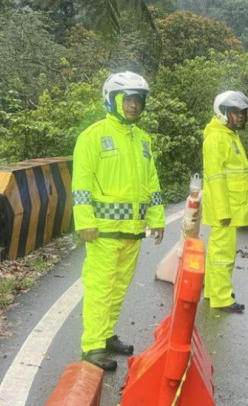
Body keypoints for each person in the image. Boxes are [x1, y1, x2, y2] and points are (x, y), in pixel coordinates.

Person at [72, 72, 165, 370]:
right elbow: (81, 185)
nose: (134, 106)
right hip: (102, 232)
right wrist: (84, 221)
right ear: (112, 101)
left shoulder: (143, 140)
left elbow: (152, 183)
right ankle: (93, 345)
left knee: (119, 287)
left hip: (133, 231)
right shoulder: (92, 136)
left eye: (138, 100)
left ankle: (107, 335)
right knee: (101, 287)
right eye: (128, 99)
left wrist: (157, 218)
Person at [202, 90, 248, 313]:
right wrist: (223, 211)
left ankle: (214, 291)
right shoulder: (216, 138)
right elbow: (214, 177)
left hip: (231, 207)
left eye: (243, 113)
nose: (241, 117)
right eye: (236, 112)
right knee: (222, 255)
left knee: (220, 252)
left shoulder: (228, 135)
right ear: (223, 113)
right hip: (225, 210)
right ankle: (222, 298)